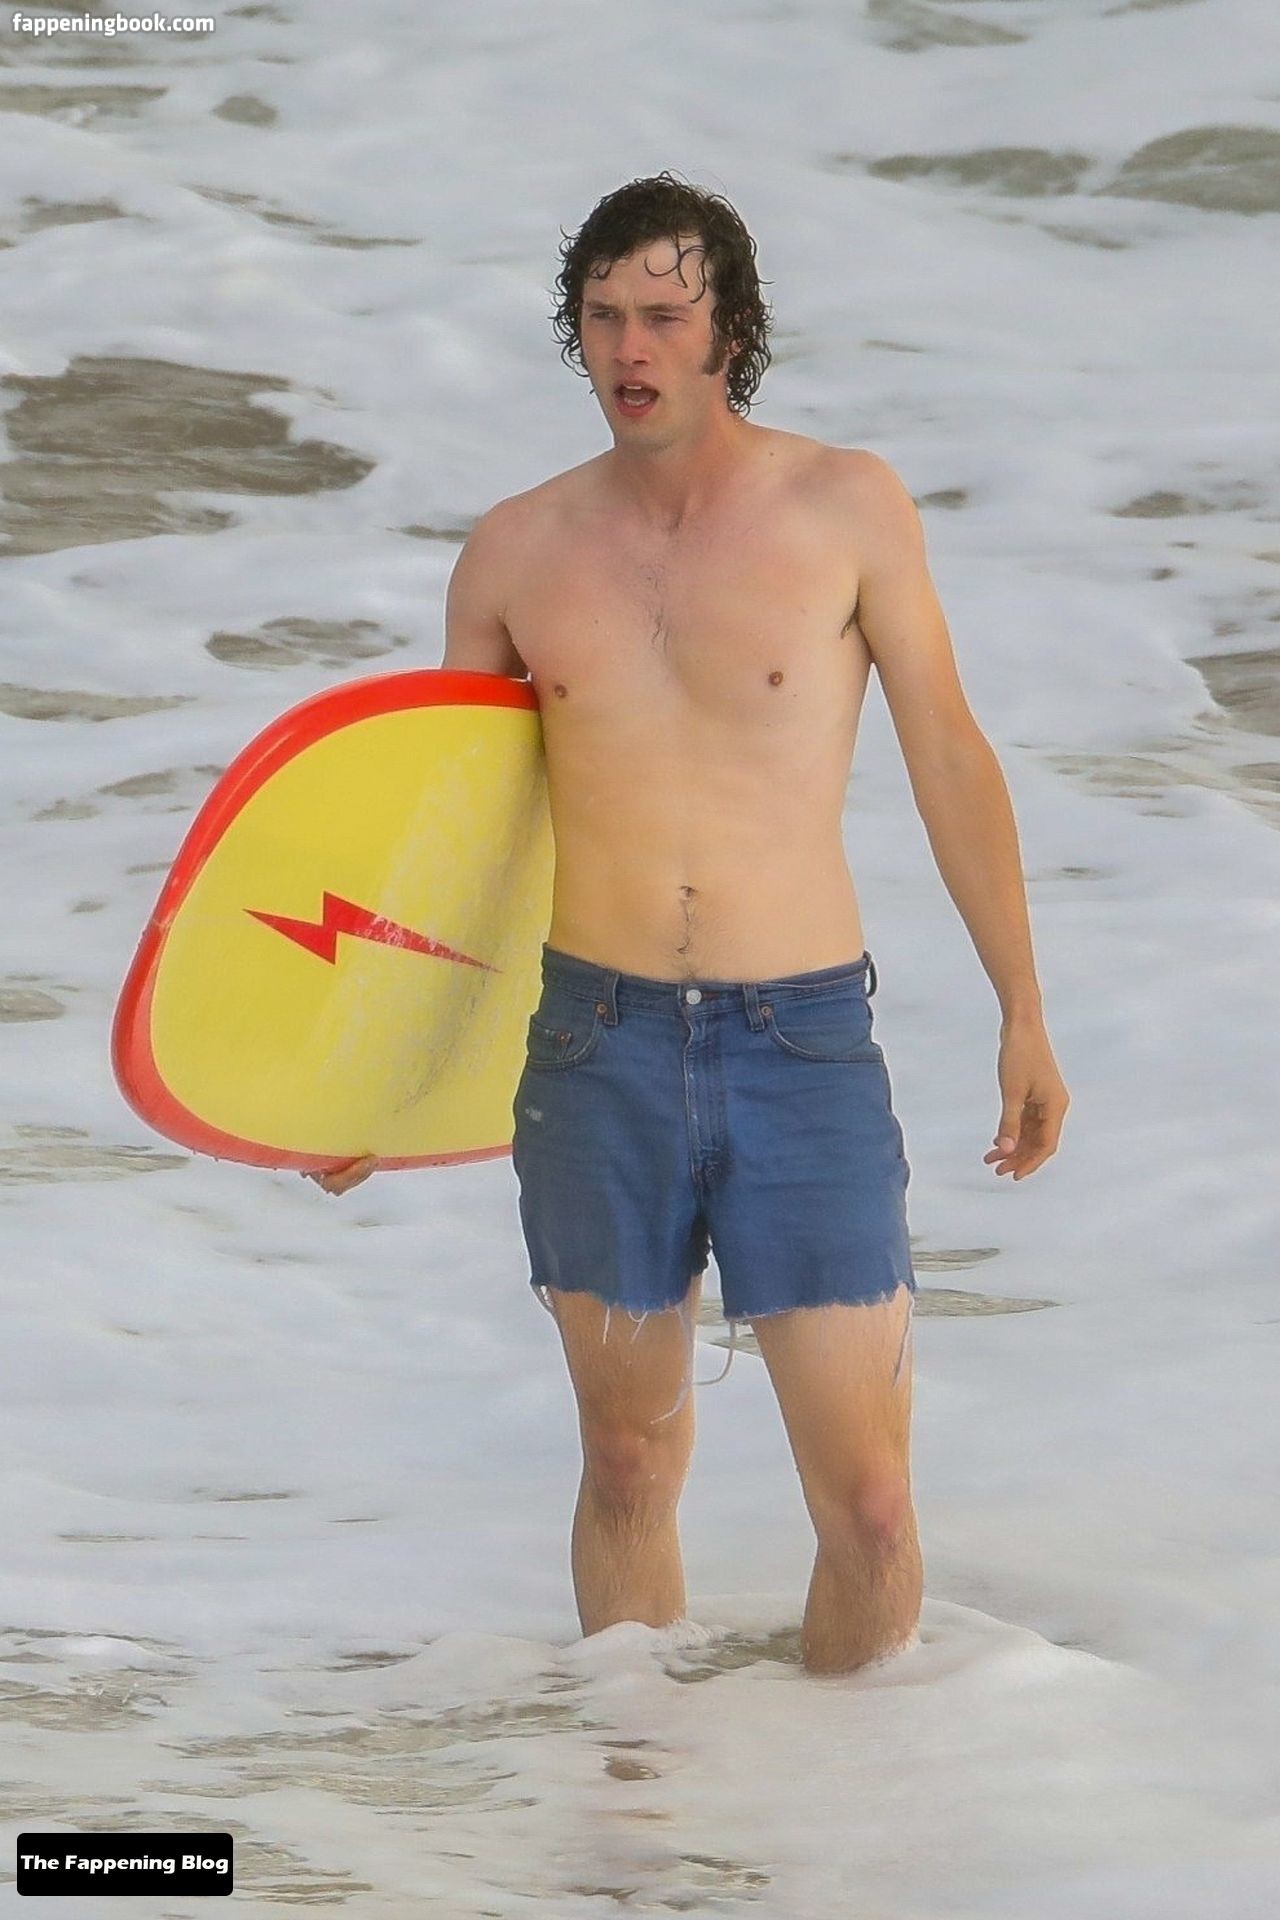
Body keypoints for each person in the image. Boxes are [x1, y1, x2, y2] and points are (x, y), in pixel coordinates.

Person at [304, 171, 1070, 1675]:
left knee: (869, 1506)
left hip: (803, 1043)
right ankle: (642, 1796)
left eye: (663, 314)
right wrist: (383, 1079)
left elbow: (948, 755)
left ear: (730, 333)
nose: (630, 347)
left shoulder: (845, 507)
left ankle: (841, 1800)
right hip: (598, 1048)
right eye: (603, 316)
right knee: (627, 1463)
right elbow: (466, 841)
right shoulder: (515, 551)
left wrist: (1023, 1011)